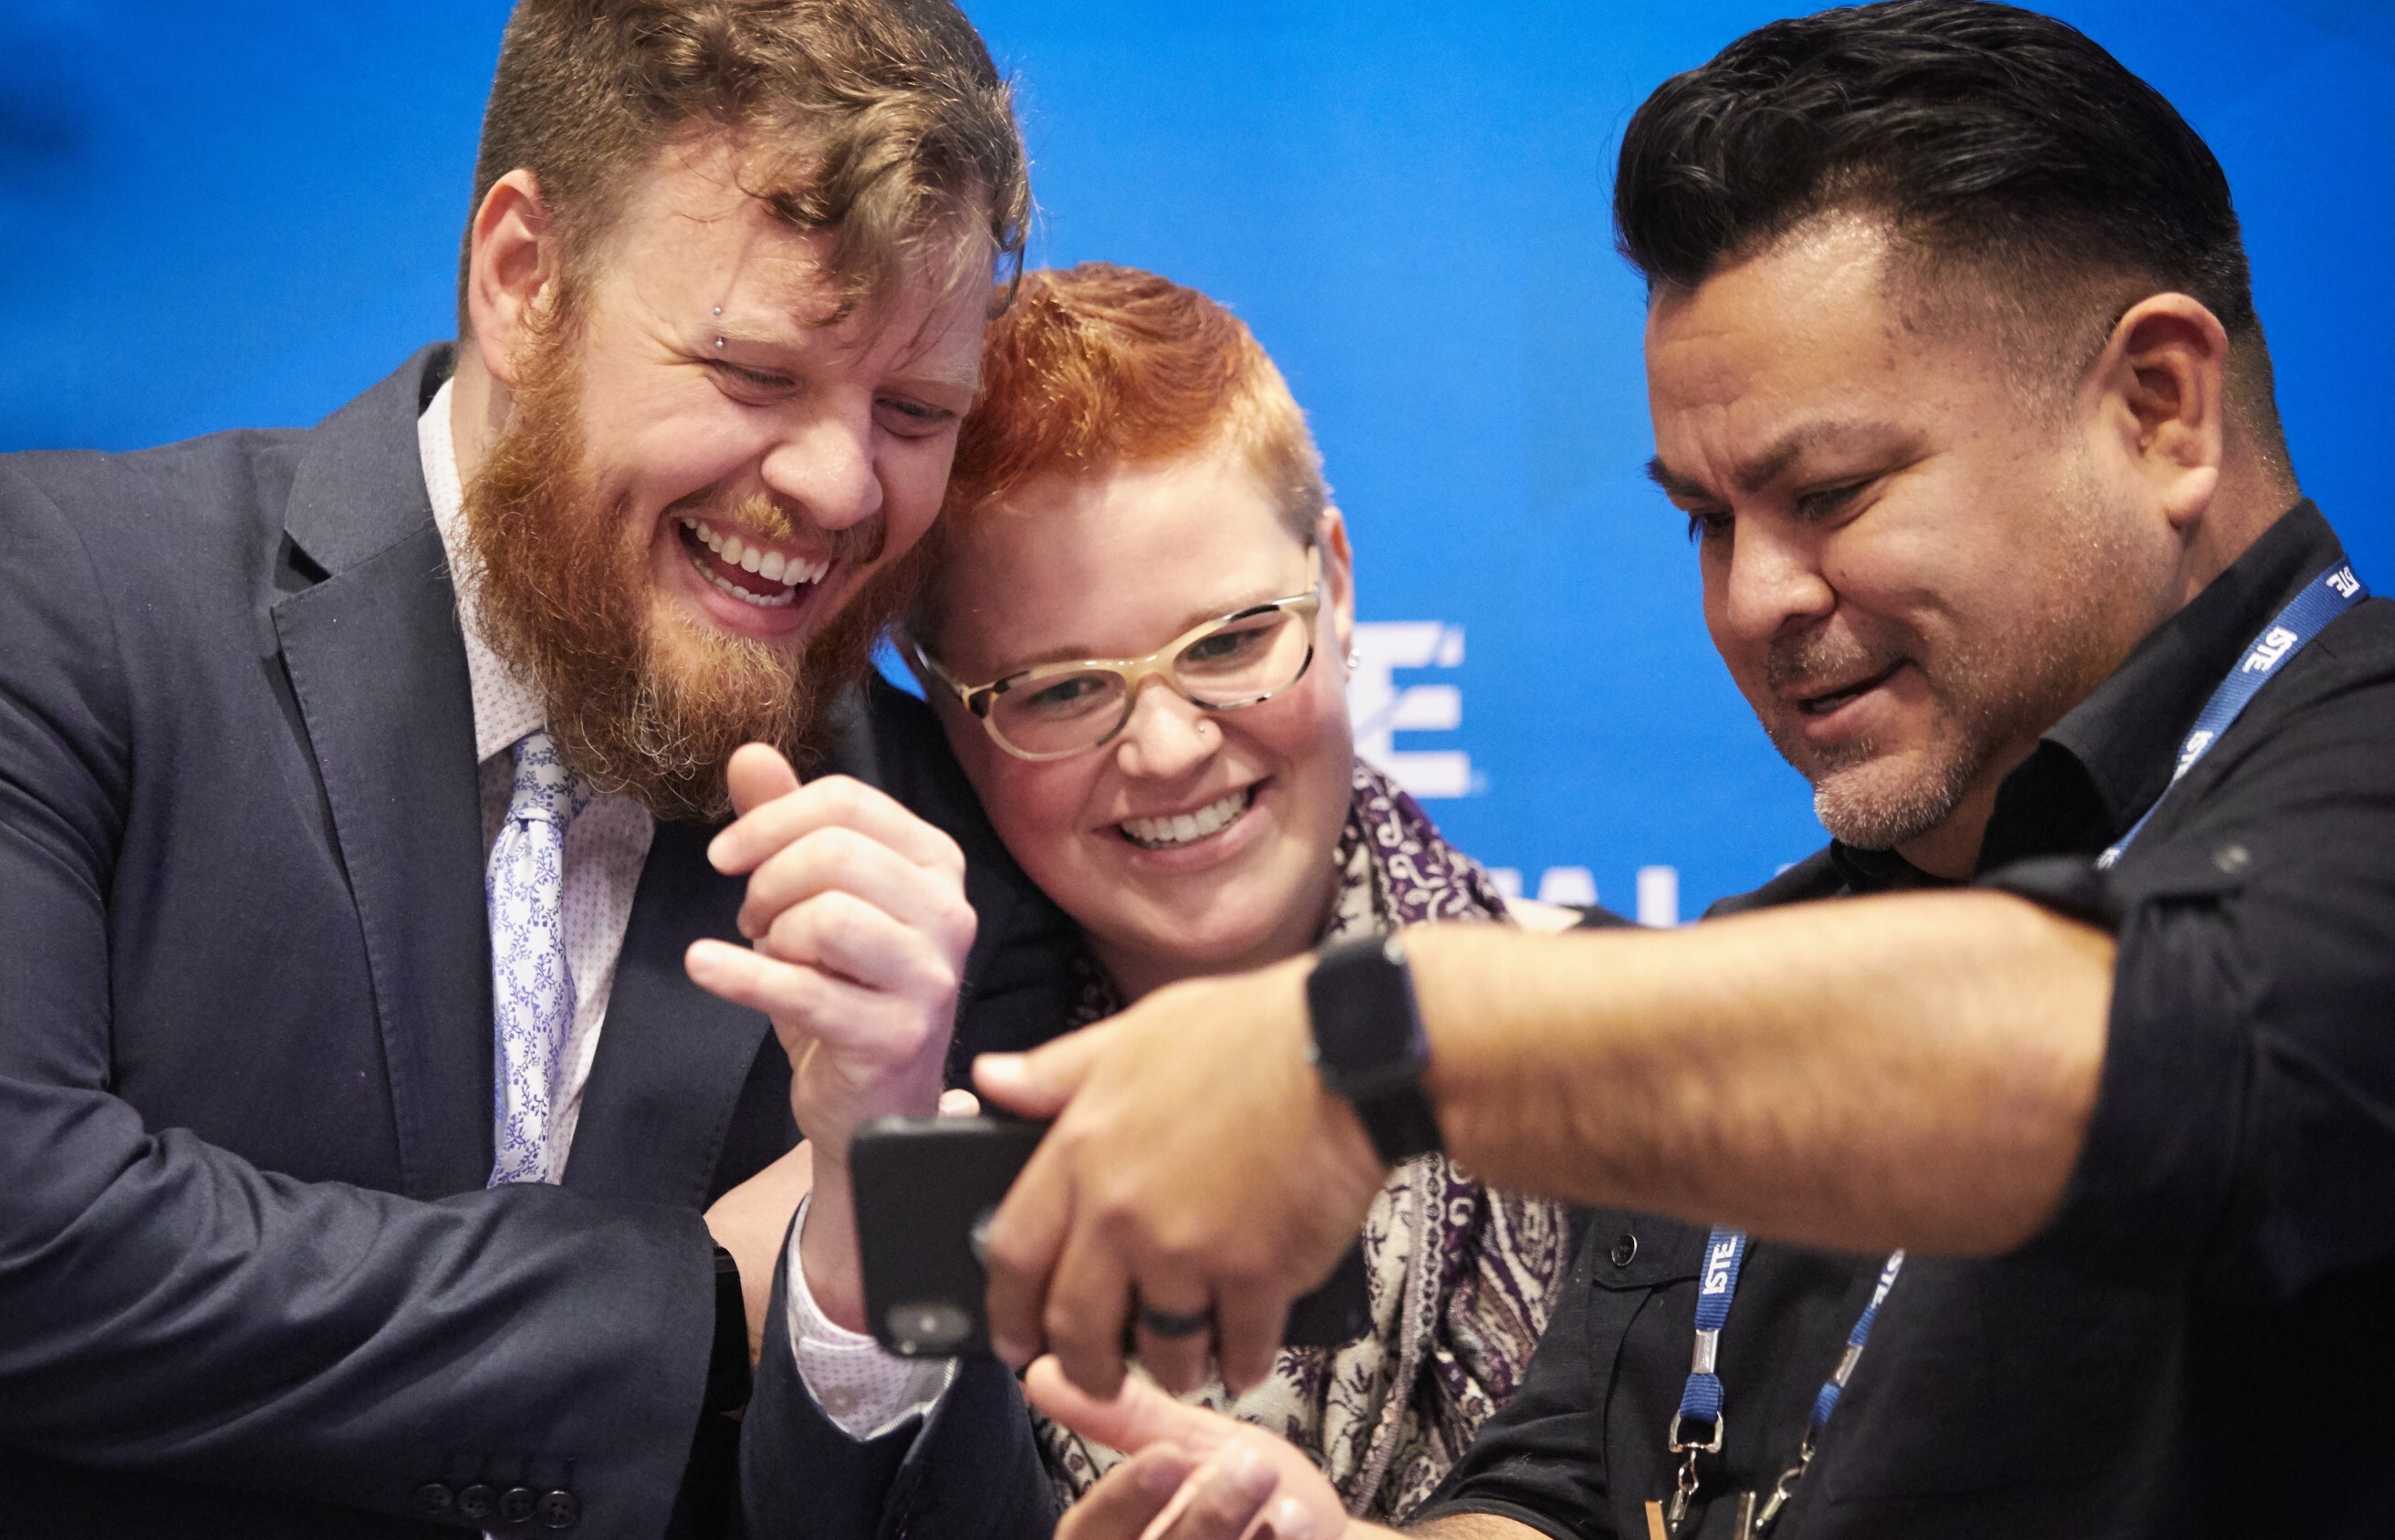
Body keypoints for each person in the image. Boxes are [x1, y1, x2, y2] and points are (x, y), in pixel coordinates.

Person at [969, 4, 2395, 1538]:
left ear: (2159, 408)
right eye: (1707, 521)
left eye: (1832, 492)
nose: (1752, 600)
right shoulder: (1766, 957)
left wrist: (1370, 1054)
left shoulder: (2350, 771)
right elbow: (1567, 1489)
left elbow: (2187, 1051)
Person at [0, 4, 1088, 1536]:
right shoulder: (34, 604)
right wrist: (699, 1307)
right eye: (756, 372)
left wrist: (872, 1212)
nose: (842, 484)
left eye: (915, 412)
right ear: (525, 279)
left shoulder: (927, 850)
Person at [729, 265, 1575, 1538]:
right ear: (949, 716)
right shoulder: (855, 1143)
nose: (1170, 747)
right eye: (1063, 690)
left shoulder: (1613, 1048)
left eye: (1232, 641)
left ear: (1335, 589)